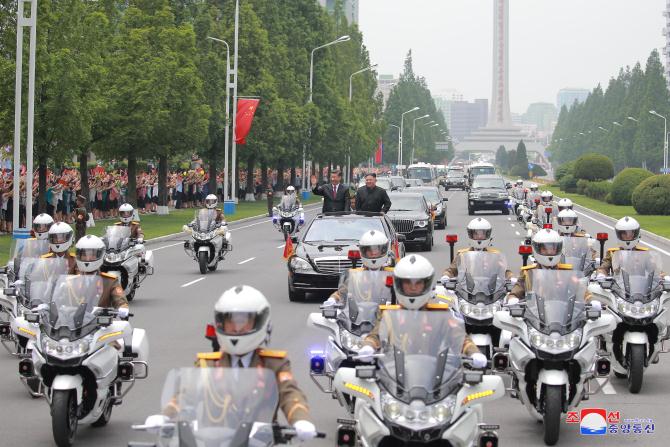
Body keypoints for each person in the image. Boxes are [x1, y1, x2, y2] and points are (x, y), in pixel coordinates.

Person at [143, 285, 317, 442]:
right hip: (214, 441)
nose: (236, 328)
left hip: (261, 441)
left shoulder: (274, 364)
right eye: (230, 321)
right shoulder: (208, 364)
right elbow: (186, 395)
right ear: (221, 323)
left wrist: (300, 419)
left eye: (243, 321)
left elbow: (290, 394)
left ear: (259, 322)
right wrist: (165, 416)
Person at [358, 254, 487, 368]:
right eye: (408, 283)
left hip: (435, 376)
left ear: (427, 284)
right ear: (399, 285)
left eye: (418, 283)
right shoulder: (389, 315)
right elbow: (375, 335)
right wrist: (368, 346)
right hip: (395, 376)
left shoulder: (441, 315)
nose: (413, 288)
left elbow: (460, 338)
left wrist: (474, 352)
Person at [506, 229, 601, 309]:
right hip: (534, 318)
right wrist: (512, 299)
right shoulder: (528, 273)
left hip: (563, 317)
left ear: (559, 248)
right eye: (545, 248)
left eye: (553, 248)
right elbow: (514, 293)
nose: (550, 251)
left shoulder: (566, 272)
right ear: (537, 249)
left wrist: (591, 300)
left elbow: (581, 290)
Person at [323, 230, 394, 305]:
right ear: (363, 251)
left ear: (383, 250)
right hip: (360, 314)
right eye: (369, 250)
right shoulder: (355, 275)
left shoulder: (392, 274)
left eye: (376, 250)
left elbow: (402, 293)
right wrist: (332, 300)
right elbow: (341, 293)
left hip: (387, 314)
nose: (373, 253)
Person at [440, 218, 513, 280]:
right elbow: (452, 270)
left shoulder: (495, 255)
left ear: (487, 234)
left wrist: (511, 277)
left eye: (482, 234)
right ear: (471, 234)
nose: (479, 237)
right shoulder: (462, 254)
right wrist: (446, 275)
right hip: (466, 290)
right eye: (476, 234)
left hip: (490, 289)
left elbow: (504, 271)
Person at [74, 235, 129, 315]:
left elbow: (120, 299)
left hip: (100, 323)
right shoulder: (71, 281)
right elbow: (61, 300)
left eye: (92, 254)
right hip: (74, 324)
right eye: (84, 255)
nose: (88, 258)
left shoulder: (110, 281)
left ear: (100, 255)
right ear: (79, 255)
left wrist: (123, 307)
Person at [596, 216, 666, 279]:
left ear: (635, 234)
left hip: (641, 288)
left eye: (630, 233)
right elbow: (604, 267)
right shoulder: (612, 253)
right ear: (619, 234)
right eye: (624, 233)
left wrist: (661, 275)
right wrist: (601, 274)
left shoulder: (644, 253)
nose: (627, 236)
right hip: (618, 288)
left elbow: (654, 269)